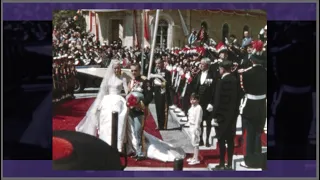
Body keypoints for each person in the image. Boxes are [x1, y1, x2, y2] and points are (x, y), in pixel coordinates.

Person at [76, 61, 185, 162]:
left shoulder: (142, 81)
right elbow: (126, 92)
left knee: (136, 130)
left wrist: (139, 103)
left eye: (135, 70)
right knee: (110, 124)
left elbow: (145, 95)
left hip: (133, 107)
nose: (133, 72)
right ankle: (115, 146)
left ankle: (135, 151)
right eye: (132, 70)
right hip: (115, 103)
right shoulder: (130, 80)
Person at [238, 54, 267, 168]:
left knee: (249, 134)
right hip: (261, 105)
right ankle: (258, 158)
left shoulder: (246, 73)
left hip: (250, 105)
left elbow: (244, 89)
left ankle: (249, 160)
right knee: (258, 133)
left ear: (251, 61)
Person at [210, 60, 239, 171]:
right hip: (232, 116)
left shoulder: (221, 82)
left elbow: (217, 102)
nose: (219, 70)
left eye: (220, 68)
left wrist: (213, 116)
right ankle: (230, 164)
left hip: (221, 116)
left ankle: (222, 164)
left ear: (223, 69)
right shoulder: (235, 80)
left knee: (221, 140)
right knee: (230, 140)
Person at [192, 58, 215, 147]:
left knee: (208, 121)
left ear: (207, 65)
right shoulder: (198, 74)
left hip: (208, 101)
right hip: (199, 101)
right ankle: (201, 139)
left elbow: (214, 90)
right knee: (199, 121)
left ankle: (207, 139)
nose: (200, 65)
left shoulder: (212, 75)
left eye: (202, 64)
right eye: (200, 64)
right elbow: (195, 87)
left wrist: (212, 102)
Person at [152, 58, 172, 130]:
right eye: (156, 63)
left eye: (159, 63)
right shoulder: (154, 72)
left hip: (164, 92)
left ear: (162, 63)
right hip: (157, 92)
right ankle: (159, 125)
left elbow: (169, 83)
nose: (157, 65)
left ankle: (164, 125)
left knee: (164, 109)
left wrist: (161, 84)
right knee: (158, 109)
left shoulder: (166, 72)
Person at [186, 93, 203, 165]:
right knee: (193, 143)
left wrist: (196, 128)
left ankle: (196, 159)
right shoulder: (192, 107)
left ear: (198, 100)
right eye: (191, 99)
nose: (192, 101)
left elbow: (198, 119)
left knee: (195, 143)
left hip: (195, 127)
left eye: (194, 99)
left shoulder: (198, 108)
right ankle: (194, 157)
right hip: (191, 126)